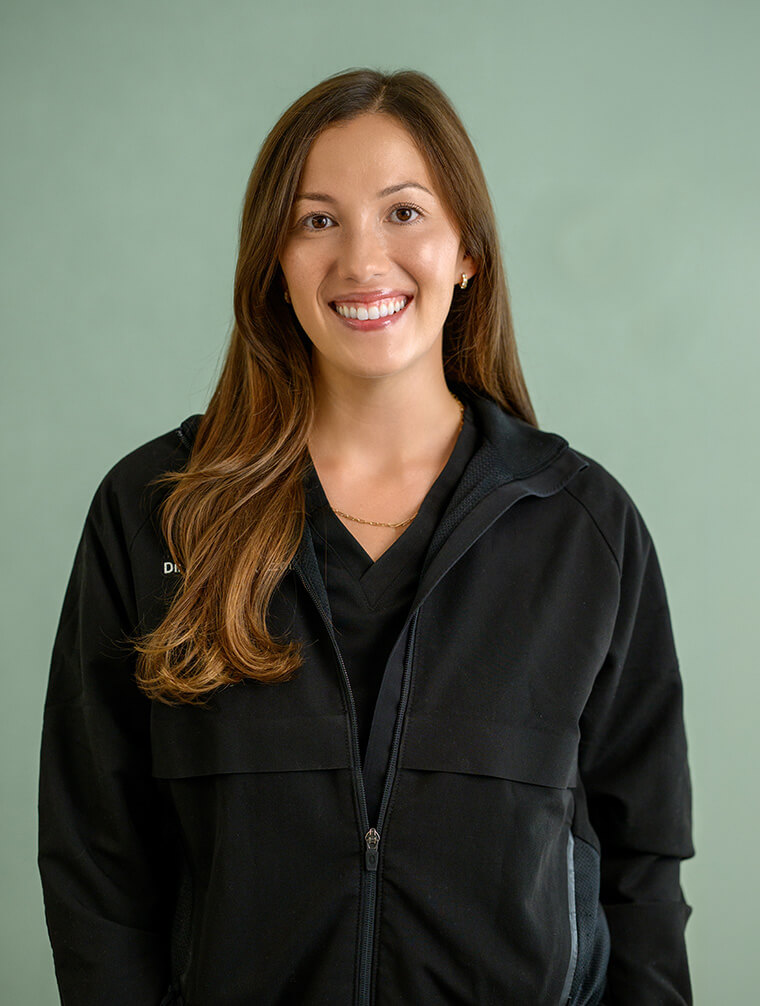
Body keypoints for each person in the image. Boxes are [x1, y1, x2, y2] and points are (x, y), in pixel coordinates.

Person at [38, 67, 694, 1005]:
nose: (361, 260)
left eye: (404, 212)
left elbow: (644, 868)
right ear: (274, 257)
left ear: (467, 249)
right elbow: (95, 858)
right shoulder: (157, 510)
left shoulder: (584, 528)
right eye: (317, 220)